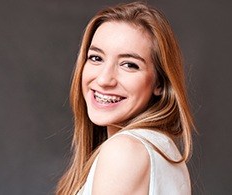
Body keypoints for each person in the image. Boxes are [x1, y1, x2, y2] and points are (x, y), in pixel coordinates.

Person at [56, 1, 195, 195]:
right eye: (96, 58)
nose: (104, 79)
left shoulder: (124, 151)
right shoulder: (159, 149)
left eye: (129, 65)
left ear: (160, 84)